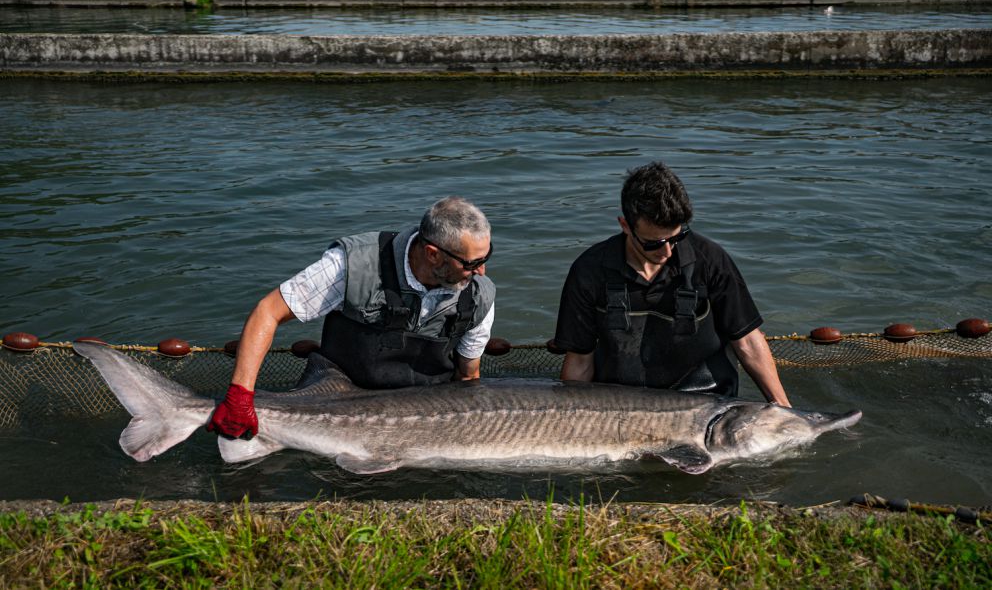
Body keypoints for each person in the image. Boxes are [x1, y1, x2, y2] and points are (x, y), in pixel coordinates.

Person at [208, 196, 496, 440]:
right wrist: (240, 395)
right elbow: (268, 312)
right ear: (433, 254)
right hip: (336, 397)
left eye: (486, 258)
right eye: (472, 263)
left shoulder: (478, 296)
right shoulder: (354, 265)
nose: (482, 272)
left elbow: (468, 377)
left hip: (419, 419)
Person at [553, 161, 792, 407]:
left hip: (706, 403)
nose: (667, 251)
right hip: (619, 404)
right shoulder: (589, 270)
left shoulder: (710, 260)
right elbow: (580, 361)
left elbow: (748, 342)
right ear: (625, 226)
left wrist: (783, 408)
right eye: (654, 243)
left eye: (677, 237)